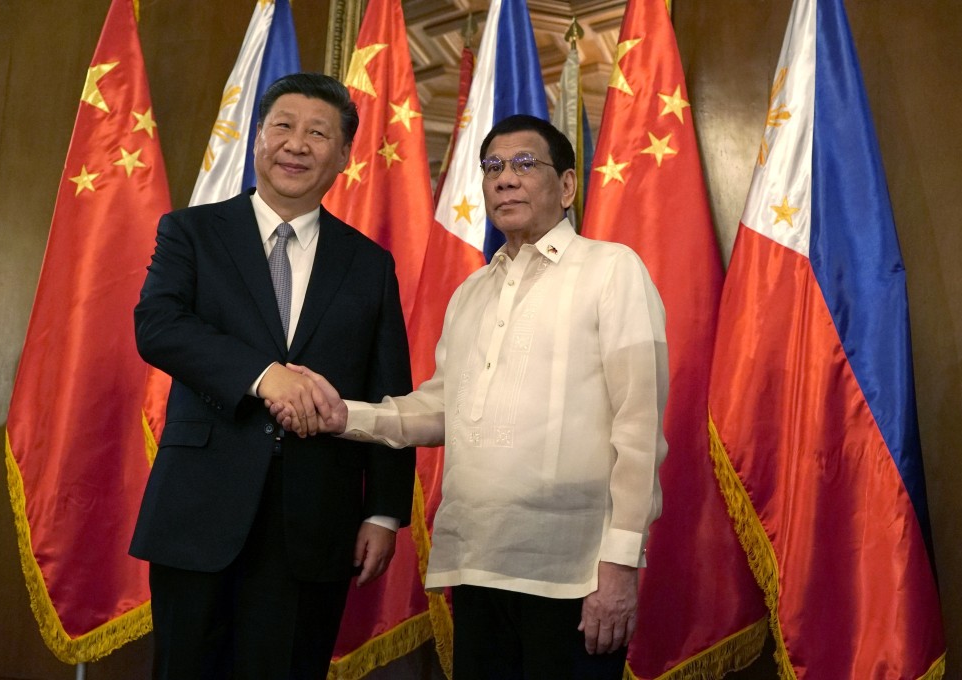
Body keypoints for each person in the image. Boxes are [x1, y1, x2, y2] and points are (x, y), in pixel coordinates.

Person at [274, 114, 669, 679]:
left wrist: (621, 564)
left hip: (574, 573)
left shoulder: (611, 270)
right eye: (492, 167)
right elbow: (441, 407)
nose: (505, 178)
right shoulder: (471, 292)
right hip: (477, 563)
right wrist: (344, 416)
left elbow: (638, 428)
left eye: (524, 164)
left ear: (567, 186)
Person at [130, 73, 415, 680]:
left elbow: (388, 387)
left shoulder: (369, 263)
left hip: (316, 518)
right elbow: (158, 326)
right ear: (258, 137)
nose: (296, 144)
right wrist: (263, 376)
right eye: (282, 125)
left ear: (344, 156)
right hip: (199, 507)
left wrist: (385, 511)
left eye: (318, 133)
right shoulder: (192, 232)